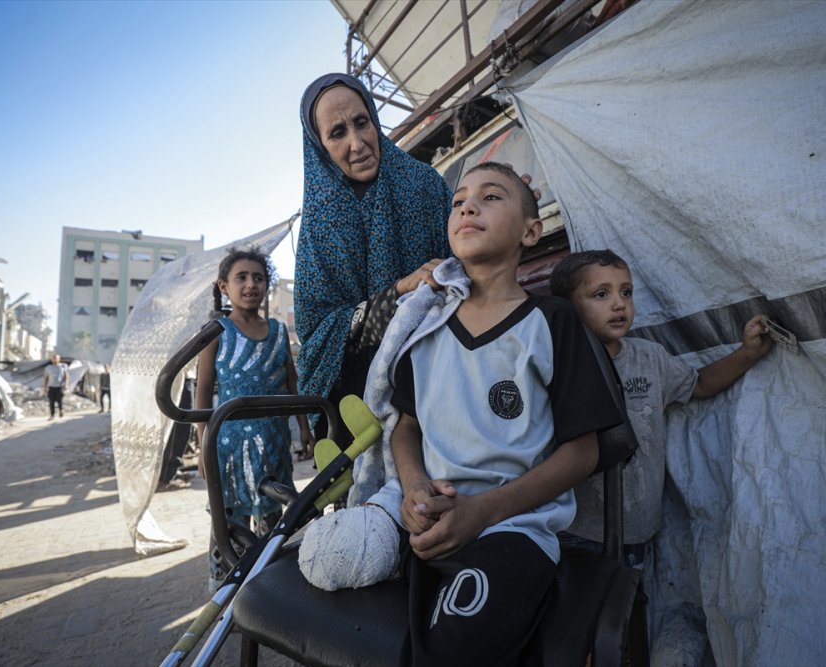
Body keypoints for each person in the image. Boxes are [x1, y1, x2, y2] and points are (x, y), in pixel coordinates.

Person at [299, 163, 623, 665]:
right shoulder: (425, 325)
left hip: (510, 526)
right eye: (459, 201)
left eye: (491, 197)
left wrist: (482, 513)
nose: (468, 206)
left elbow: (584, 451)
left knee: (456, 646)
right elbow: (404, 426)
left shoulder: (551, 322)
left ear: (530, 231)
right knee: (327, 566)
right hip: (424, 517)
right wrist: (411, 489)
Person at [549, 249, 774, 565]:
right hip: (577, 530)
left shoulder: (649, 357)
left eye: (626, 292)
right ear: (567, 308)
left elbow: (699, 384)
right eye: (601, 294)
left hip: (639, 529)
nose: (619, 304)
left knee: (629, 605)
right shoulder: (558, 366)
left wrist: (747, 353)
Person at [294, 73, 452, 439]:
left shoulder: (424, 185)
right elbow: (317, 334)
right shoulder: (321, 224)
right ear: (318, 145)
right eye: (337, 133)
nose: (357, 143)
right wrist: (394, 294)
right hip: (359, 402)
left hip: (439, 377)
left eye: (361, 123)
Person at [194, 247, 316, 590]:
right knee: (229, 521)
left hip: (273, 445)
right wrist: (204, 443)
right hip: (228, 447)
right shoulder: (215, 332)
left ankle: (266, 591)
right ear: (223, 286)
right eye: (241, 278)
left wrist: (304, 428)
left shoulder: (278, 332)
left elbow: (292, 384)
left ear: (267, 286)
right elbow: (202, 393)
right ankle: (226, 597)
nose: (251, 284)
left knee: (272, 522)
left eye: (258, 278)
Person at [42, 353, 67, 421]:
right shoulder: (48, 368)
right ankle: (52, 415)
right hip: (51, 386)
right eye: (53, 358)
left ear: (59, 359)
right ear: (51, 359)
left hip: (59, 386)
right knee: (51, 401)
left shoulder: (62, 367)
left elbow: (66, 376)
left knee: (60, 400)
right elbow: (46, 378)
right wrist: (44, 387)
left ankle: (61, 410)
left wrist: (65, 384)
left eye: (56, 358)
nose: (55, 359)